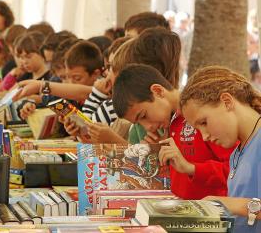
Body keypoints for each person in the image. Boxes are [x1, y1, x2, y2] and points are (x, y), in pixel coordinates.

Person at [112, 64, 233, 200]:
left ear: (158, 91)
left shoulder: (204, 116)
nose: (147, 128)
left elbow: (237, 170)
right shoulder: (169, 124)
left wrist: (192, 168)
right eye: (138, 123)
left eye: (143, 116)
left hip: (215, 214)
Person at [180, 66, 261, 232]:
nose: (204, 136)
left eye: (204, 122)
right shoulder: (237, 153)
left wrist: (226, 203)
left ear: (227, 101)